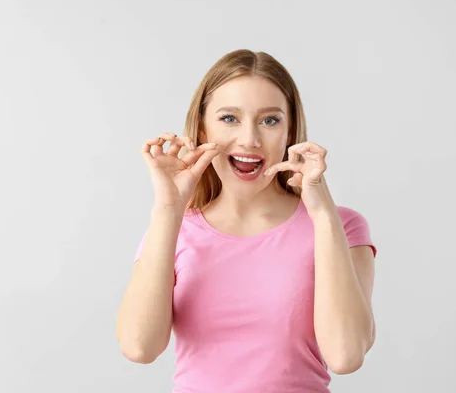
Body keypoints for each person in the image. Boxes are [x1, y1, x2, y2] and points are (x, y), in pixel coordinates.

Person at [115, 49, 377, 393]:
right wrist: (168, 209)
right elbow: (139, 347)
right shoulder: (173, 230)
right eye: (229, 118)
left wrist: (323, 215)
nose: (250, 139)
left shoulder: (342, 227)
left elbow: (345, 356)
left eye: (270, 120)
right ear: (201, 127)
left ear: (291, 131)